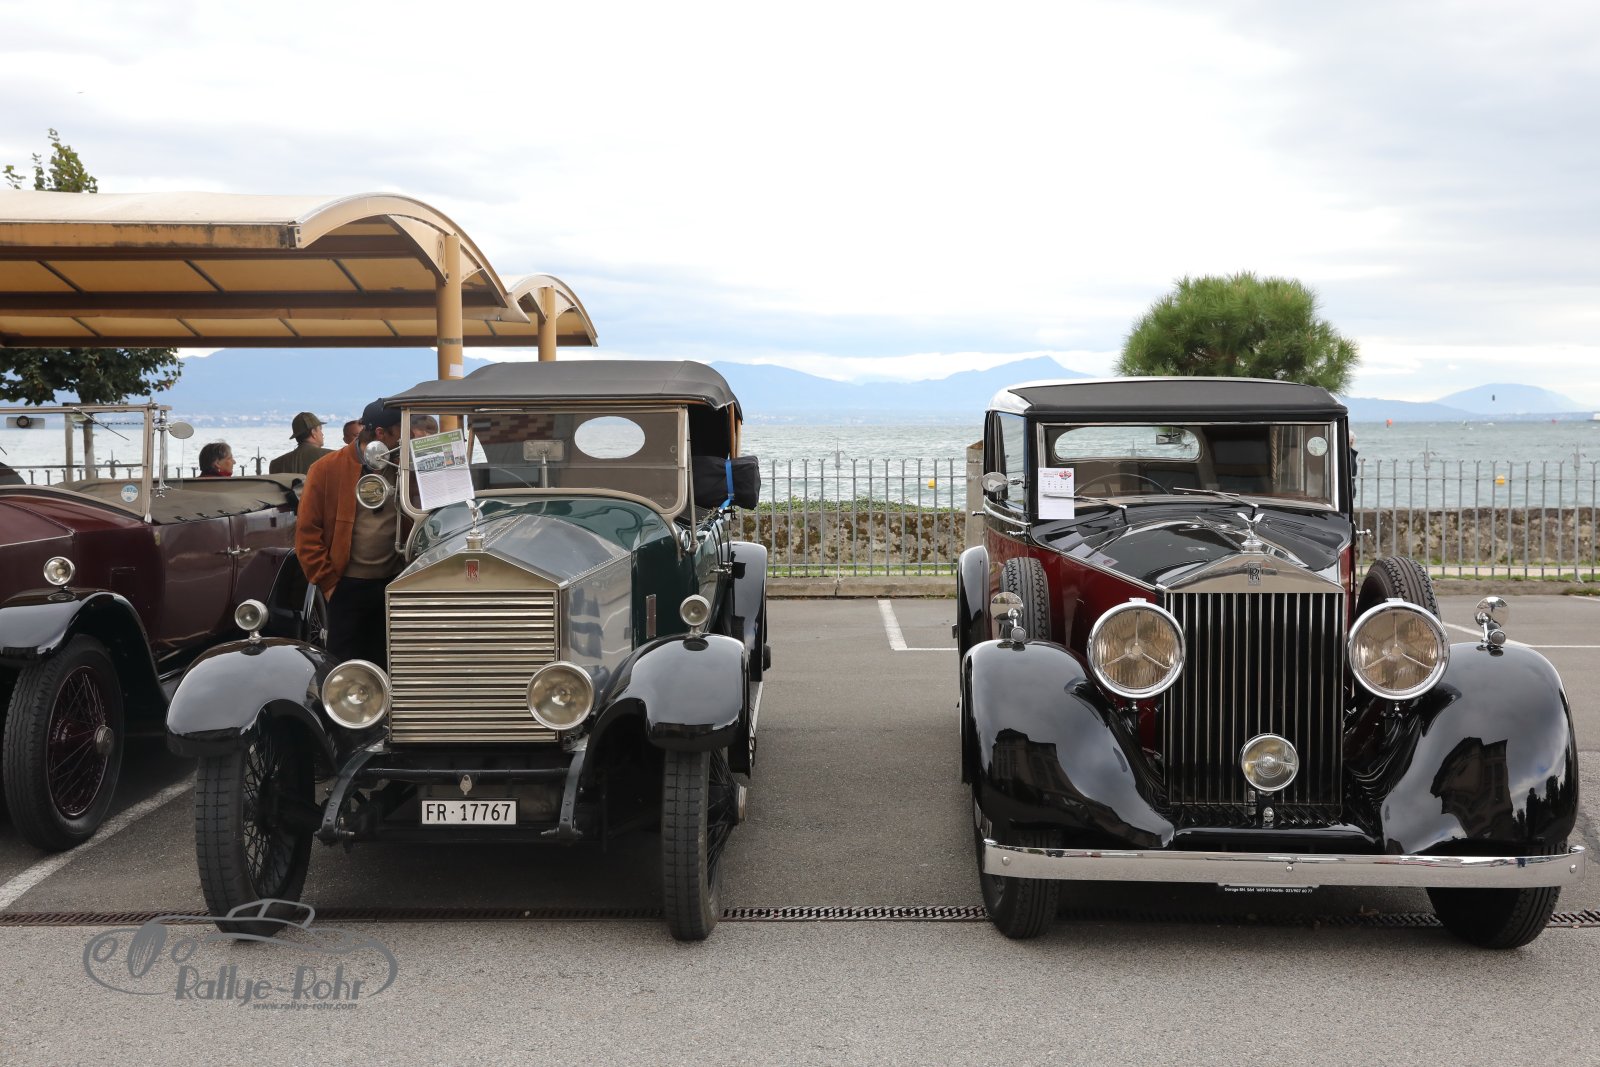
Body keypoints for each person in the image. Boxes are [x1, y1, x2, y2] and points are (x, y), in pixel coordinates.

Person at [296, 398, 406, 665]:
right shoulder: (326, 468)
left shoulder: (403, 465)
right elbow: (307, 532)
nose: (405, 438)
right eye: (400, 431)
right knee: (345, 664)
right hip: (346, 585)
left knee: (392, 662)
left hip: (395, 582)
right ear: (381, 433)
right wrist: (329, 584)